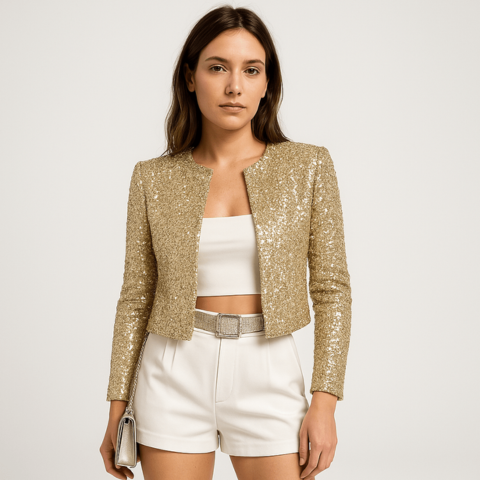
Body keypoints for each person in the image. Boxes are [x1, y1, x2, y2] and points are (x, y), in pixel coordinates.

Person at [99, 5, 352, 480]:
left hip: (268, 367)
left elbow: (332, 290)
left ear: (267, 83)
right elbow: (135, 298)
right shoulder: (152, 178)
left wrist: (325, 401)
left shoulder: (308, 167)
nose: (235, 86)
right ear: (190, 78)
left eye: (251, 70)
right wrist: (118, 407)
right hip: (172, 371)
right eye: (218, 68)